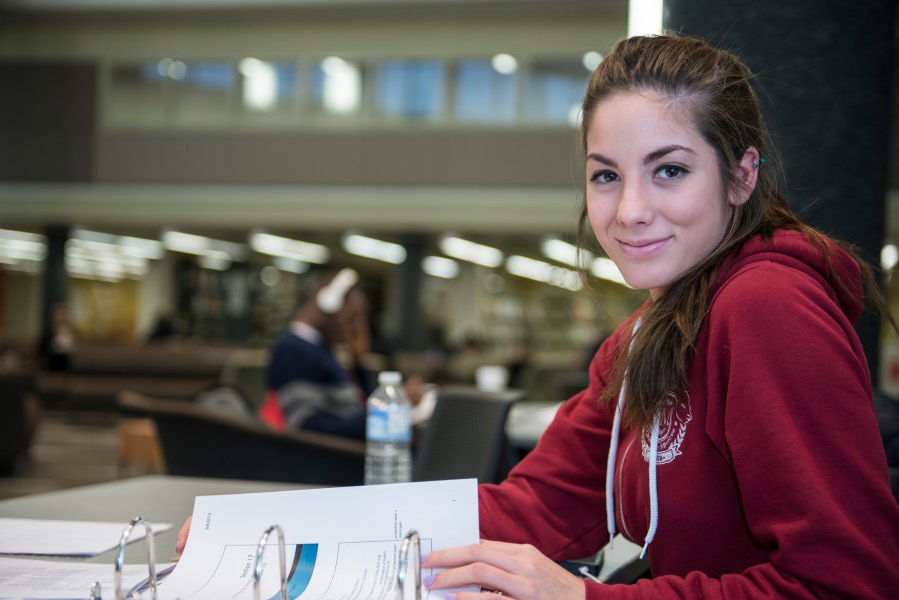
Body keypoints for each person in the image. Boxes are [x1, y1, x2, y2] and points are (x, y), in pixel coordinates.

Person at [177, 34, 899, 598]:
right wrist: (260, 532)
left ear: (741, 174)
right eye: (605, 175)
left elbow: (845, 583)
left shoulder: (767, 309)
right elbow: (534, 508)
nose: (629, 211)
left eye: (669, 170)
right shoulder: (649, 335)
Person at [258, 268, 374, 439]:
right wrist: (381, 419)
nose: (355, 330)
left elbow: (355, 408)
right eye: (351, 320)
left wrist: (358, 362)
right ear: (329, 304)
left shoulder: (320, 350)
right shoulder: (292, 351)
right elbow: (307, 429)